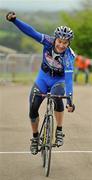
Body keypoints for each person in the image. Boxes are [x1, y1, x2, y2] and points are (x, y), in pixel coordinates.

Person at [6, 12, 75, 155]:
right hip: (43, 78)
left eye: (65, 43)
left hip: (59, 80)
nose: (61, 45)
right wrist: (15, 21)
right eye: (59, 41)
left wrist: (69, 100)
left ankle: (59, 130)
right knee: (33, 108)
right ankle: (35, 138)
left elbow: (68, 79)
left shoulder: (69, 56)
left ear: (68, 43)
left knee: (57, 96)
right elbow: (31, 32)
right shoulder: (47, 41)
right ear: (55, 39)